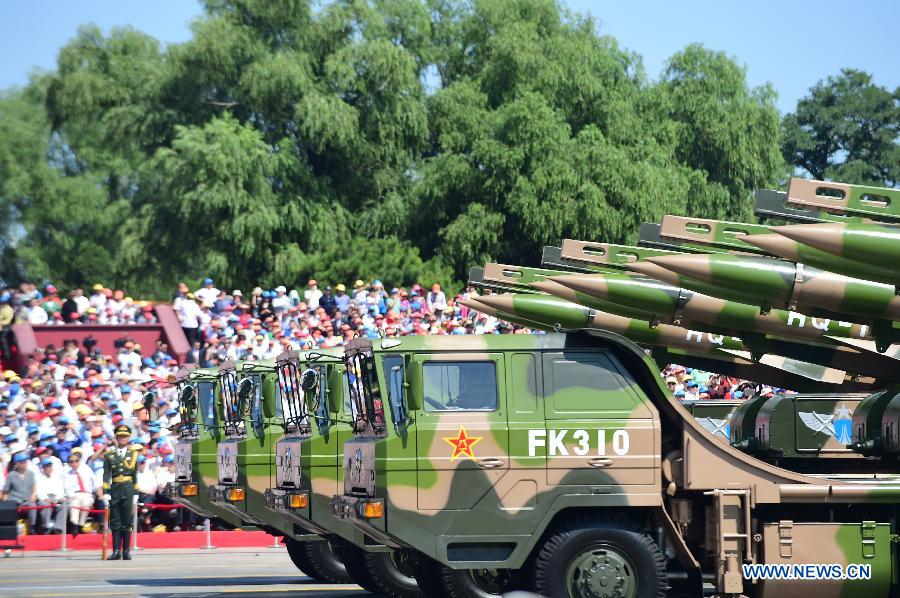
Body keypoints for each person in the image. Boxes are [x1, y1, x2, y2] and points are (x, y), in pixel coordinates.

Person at [103, 424, 141, 560]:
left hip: (128, 488)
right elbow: (106, 474)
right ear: (116, 438)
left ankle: (126, 551)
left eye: (125, 436)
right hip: (115, 489)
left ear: (129, 438)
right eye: (120, 436)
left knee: (127, 521)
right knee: (115, 521)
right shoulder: (109, 455)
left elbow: (135, 475)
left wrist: (136, 492)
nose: (123, 438)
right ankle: (116, 551)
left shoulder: (133, 454)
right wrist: (105, 491)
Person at [2, 453, 38, 532]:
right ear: (17, 463)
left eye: (25, 461)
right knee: (9, 508)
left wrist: (34, 494)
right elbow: (6, 492)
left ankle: (32, 527)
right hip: (15, 501)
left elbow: (34, 488)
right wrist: (5, 505)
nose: (24, 463)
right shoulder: (11, 475)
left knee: (33, 505)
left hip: (27, 501)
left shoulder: (31, 474)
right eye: (22, 462)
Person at [63, 451, 96, 534]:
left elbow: (95, 482)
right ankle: (74, 525)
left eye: (76, 461)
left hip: (87, 493)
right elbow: (66, 488)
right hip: (75, 494)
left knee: (86, 503)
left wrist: (97, 493)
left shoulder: (87, 469)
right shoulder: (67, 474)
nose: (74, 463)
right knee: (75, 503)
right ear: (69, 463)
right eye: (71, 461)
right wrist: (71, 496)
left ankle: (81, 524)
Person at [35, 459, 66, 533]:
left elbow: (60, 490)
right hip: (44, 499)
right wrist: (45, 498)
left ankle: (58, 528)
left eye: (50, 466)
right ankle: (46, 528)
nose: (49, 468)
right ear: (43, 467)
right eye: (47, 466)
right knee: (46, 505)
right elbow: (38, 492)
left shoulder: (57, 477)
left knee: (65, 505)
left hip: (56, 499)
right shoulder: (38, 477)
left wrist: (58, 499)